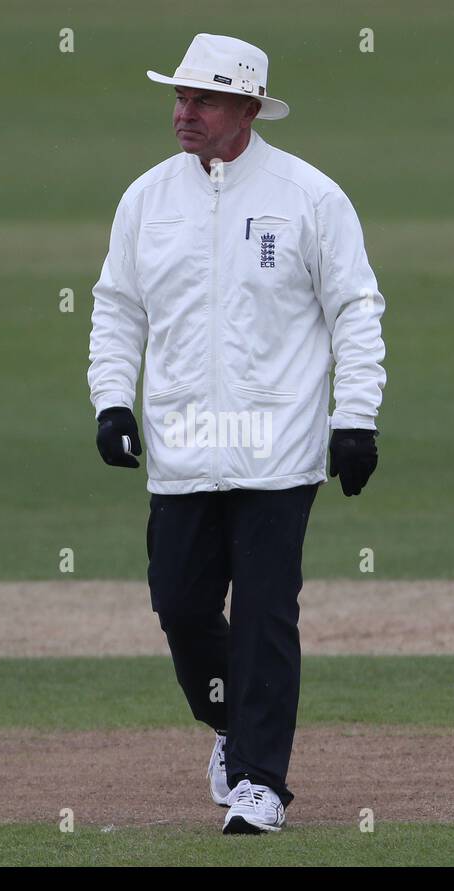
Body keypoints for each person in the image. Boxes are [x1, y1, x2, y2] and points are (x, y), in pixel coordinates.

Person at [87, 33, 387, 834]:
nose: (184, 114)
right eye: (180, 99)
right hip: (182, 449)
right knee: (180, 606)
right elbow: (118, 307)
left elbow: (355, 309)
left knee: (264, 614)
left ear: (248, 109)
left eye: (204, 101)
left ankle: (261, 781)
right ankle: (228, 727)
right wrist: (113, 403)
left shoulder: (309, 197)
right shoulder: (146, 199)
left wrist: (353, 420)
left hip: (277, 448)